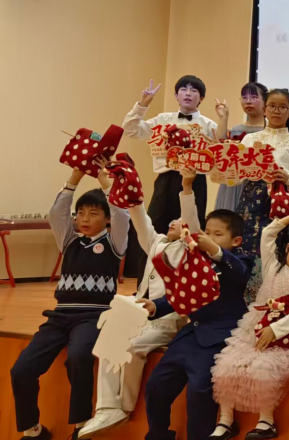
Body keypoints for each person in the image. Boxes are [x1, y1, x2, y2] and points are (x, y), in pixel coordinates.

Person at [10, 161, 129, 440]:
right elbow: (57, 213)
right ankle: (33, 430)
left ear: (107, 219)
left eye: (94, 213)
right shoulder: (69, 240)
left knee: (78, 358)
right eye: (81, 213)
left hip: (93, 316)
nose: (84, 218)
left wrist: (104, 181)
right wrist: (74, 177)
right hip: (59, 316)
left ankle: (80, 426)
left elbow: (122, 213)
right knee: (21, 369)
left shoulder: (114, 242)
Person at [78, 168, 200, 438]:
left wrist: (187, 188)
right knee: (109, 340)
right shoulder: (156, 242)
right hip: (139, 311)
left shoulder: (192, 252)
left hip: (169, 318)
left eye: (180, 221)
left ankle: (123, 407)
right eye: (173, 220)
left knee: (133, 347)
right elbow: (137, 214)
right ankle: (106, 407)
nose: (175, 222)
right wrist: (120, 184)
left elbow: (191, 221)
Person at [139, 210, 253, 440]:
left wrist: (215, 249)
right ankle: (159, 435)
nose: (209, 237)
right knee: (156, 385)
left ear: (236, 241)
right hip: (190, 334)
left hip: (219, 336)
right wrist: (155, 306)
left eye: (218, 234)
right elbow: (183, 293)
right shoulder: (195, 260)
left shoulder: (241, 260)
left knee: (199, 389)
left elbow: (239, 274)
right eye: (207, 232)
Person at [211, 213, 289, 440]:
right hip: (254, 327)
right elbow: (267, 234)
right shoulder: (272, 267)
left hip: (286, 334)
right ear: (288, 248)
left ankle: (266, 421)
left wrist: (275, 330)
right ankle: (225, 421)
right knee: (227, 366)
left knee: (263, 369)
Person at [235, 88, 289, 303]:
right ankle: (245, 304)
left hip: (281, 204)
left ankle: (275, 303)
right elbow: (236, 177)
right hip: (251, 202)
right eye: (272, 106)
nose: (277, 111)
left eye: (282, 107)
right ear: (265, 110)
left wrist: (287, 177)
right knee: (247, 248)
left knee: (278, 252)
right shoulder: (250, 139)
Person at [123, 76, 217, 232]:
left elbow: (220, 152)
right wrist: (143, 104)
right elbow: (131, 130)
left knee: (192, 228)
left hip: (195, 181)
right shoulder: (163, 119)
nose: (188, 93)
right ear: (176, 96)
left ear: (201, 98)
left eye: (193, 90)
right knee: (155, 225)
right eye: (183, 89)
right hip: (165, 179)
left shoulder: (209, 125)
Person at [213, 82, 267, 211]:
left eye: (254, 97)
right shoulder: (237, 129)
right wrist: (223, 118)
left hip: (258, 184)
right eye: (244, 97)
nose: (248, 101)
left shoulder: (269, 130)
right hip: (233, 183)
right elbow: (221, 147)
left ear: (265, 101)